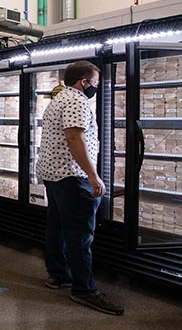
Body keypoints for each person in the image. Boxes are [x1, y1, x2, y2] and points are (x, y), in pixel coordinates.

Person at [36, 60, 124, 316]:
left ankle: (57, 275)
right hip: (72, 177)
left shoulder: (58, 98)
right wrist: (93, 175)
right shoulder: (76, 101)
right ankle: (84, 290)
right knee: (80, 234)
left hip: (53, 175)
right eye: (95, 83)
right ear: (84, 82)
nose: (95, 87)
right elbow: (74, 136)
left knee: (57, 226)